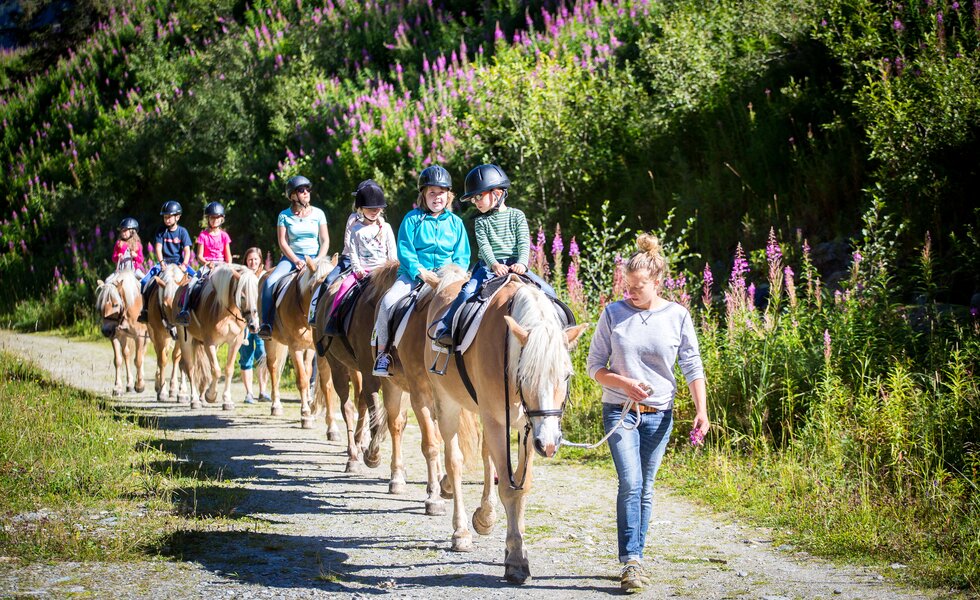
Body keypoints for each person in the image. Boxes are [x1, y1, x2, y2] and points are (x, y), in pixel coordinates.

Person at [586, 233, 709, 593]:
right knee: (631, 482)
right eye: (627, 285)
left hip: (660, 415)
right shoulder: (613, 313)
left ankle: (635, 556)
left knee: (647, 487)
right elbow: (594, 366)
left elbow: (692, 364)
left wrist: (701, 410)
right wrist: (623, 383)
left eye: (638, 286)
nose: (630, 292)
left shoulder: (677, 315)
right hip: (619, 411)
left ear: (657, 282)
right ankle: (632, 561)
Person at [429, 163, 555, 349]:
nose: (476, 202)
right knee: (467, 292)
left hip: (515, 265)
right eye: (473, 199)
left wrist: (521, 262)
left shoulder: (517, 216)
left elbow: (523, 242)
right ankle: (447, 328)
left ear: (497, 192)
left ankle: (559, 332)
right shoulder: (481, 222)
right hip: (489, 267)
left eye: (479, 196)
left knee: (549, 292)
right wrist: (494, 264)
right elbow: (485, 246)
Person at [371, 165, 469, 377]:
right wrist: (420, 272)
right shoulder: (412, 219)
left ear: (448, 195)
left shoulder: (456, 223)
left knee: (469, 306)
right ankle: (383, 354)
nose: (437, 197)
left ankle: (465, 355)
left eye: (441, 192)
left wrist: (456, 275)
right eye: (432, 192)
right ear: (423, 195)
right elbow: (405, 250)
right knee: (388, 302)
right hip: (414, 275)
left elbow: (462, 255)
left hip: (447, 277)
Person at [258, 174, 330, 339]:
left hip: (316, 258)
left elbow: (325, 240)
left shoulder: (319, 213)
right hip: (292, 258)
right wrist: (296, 260)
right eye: (301, 190)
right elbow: (282, 242)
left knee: (333, 282)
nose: (306, 193)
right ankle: (267, 323)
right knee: (270, 281)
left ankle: (331, 322)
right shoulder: (284, 216)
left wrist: (318, 259)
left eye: (307, 189)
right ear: (292, 195)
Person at [318, 179, 396, 327]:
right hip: (363, 270)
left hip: (383, 270)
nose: (374, 211)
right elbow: (352, 252)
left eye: (378, 208)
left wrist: (392, 269)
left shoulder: (386, 228)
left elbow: (392, 251)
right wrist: (357, 269)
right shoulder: (356, 229)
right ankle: (334, 319)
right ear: (361, 209)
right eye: (369, 208)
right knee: (344, 286)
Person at [138, 201, 196, 323]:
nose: (167, 220)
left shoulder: (182, 232)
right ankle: (145, 311)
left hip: (179, 262)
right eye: (165, 217)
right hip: (164, 262)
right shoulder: (161, 231)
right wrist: (162, 262)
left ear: (177, 217)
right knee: (144, 282)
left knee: (196, 281)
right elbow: (158, 248)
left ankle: (190, 310)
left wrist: (185, 264)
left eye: (169, 217)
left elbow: (187, 250)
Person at [175, 201, 232, 326]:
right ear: (208, 219)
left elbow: (229, 256)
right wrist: (207, 262)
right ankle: (184, 311)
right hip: (207, 265)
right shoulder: (203, 235)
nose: (215, 220)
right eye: (212, 217)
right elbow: (199, 255)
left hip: (222, 265)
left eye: (217, 217)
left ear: (222, 219)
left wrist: (228, 266)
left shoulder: (224, 236)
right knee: (192, 284)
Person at [239, 247, 271, 404]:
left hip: (260, 322)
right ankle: (248, 392)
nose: (252, 262)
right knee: (246, 356)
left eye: (256, 260)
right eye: (250, 259)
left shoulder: (264, 278)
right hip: (245, 323)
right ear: (246, 261)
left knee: (262, 353)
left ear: (260, 261)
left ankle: (263, 391)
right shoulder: (242, 278)